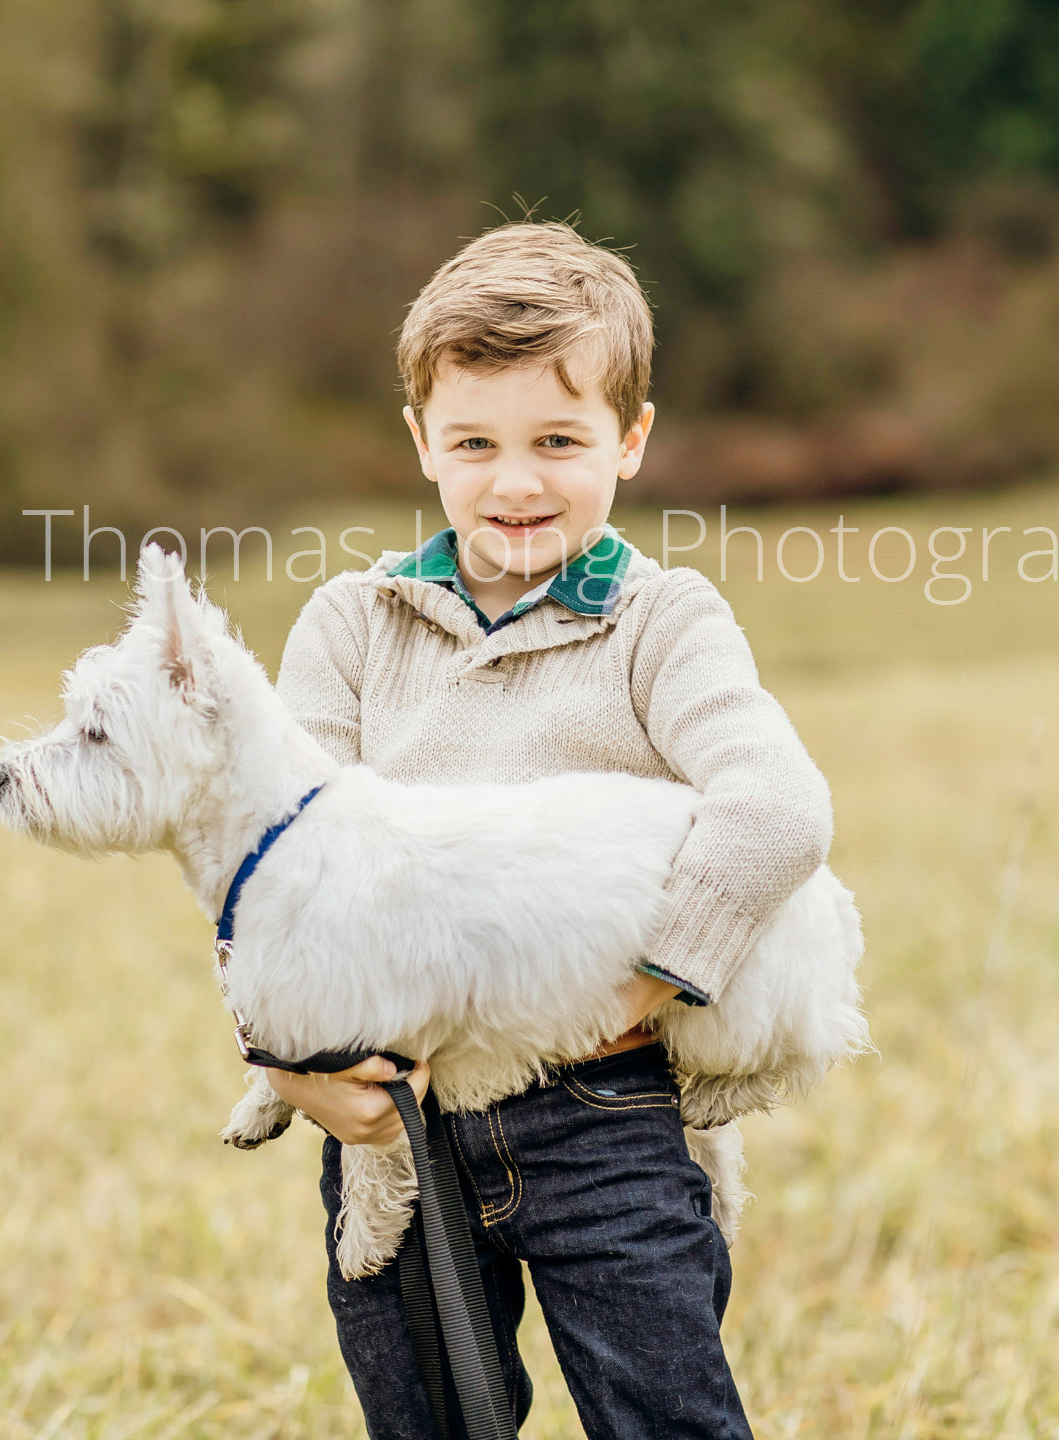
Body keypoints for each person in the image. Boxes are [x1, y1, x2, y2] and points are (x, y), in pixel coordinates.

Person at [266, 220, 834, 1440]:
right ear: (420, 438)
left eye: (559, 442)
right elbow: (272, 859)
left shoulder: (658, 623)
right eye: (474, 442)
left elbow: (778, 805)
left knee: (666, 1418)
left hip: (604, 1111)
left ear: (631, 441)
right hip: (398, 1123)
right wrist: (293, 1066)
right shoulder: (352, 629)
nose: (515, 483)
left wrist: (638, 990)